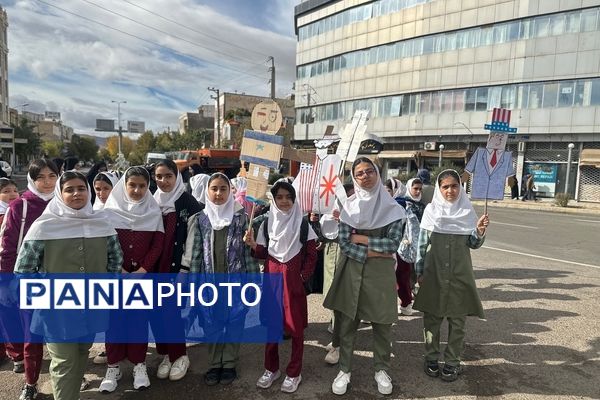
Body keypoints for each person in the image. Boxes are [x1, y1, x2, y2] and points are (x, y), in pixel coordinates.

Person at [13, 171, 123, 400]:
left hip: (93, 304)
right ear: (59, 194)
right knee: (64, 361)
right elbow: (23, 271)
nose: (76, 194)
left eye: (81, 188)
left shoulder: (102, 224)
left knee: (82, 353)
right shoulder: (44, 227)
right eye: (69, 189)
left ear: (88, 191)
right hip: (56, 311)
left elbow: (115, 261)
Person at [323, 157, 405, 396]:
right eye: (359, 173)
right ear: (354, 178)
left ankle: (381, 369)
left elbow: (393, 244)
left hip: (380, 277)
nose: (365, 176)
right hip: (353, 272)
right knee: (348, 322)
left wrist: (362, 238)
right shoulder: (349, 206)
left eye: (370, 171)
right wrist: (374, 252)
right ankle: (344, 370)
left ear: (378, 174)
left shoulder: (393, 209)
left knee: (381, 323)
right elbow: (345, 244)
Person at [413, 169, 489, 382]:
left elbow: (473, 244)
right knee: (432, 320)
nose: (450, 190)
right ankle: (431, 358)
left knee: (457, 323)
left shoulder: (467, 212)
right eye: (445, 186)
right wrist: (419, 274)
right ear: (439, 188)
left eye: (454, 186)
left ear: (460, 187)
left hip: (459, 276)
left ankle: (452, 362)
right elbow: (421, 246)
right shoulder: (431, 211)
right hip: (433, 274)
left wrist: (479, 231)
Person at [182, 173, 258, 386]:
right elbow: (194, 254)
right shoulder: (199, 220)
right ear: (207, 191)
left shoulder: (241, 218)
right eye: (214, 189)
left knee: (235, 320)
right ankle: (215, 363)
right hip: (208, 283)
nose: (218, 193)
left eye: (223, 189)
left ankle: (230, 363)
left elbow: (248, 255)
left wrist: (253, 282)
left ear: (230, 191)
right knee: (211, 322)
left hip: (235, 282)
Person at [245, 181, 318, 394]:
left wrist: (302, 277)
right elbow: (262, 253)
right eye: (279, 197)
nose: (284, 201)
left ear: (294, 199)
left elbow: (312, 254)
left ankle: (294, 372)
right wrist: (252, 245)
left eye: (288, 197)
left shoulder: (303, 224)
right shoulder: (267, 223)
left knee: (295, 329)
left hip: (293, 284)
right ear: (273, 200)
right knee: (271, 326)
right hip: (272, 281)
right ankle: (271, 368)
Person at [99, 166, 165, 393]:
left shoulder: (153, 211)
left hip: (142, 279)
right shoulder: (109, 212)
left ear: (148, 187)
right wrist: (120, 269)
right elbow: (105, 245)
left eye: (142, 185)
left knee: (138, 322)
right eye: (132, 185)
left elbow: (158, 244)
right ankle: (113, 366)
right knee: (114, 322)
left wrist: (143, 270)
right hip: (116, 278)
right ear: (123, 185)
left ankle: (139, 365)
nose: (137, 190)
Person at [0, 158, 59, 400]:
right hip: (29, 281)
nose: (46, 182)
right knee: (31, 335)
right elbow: (7, 247)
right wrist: (6, 282)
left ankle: (66, 375)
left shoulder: (66, 203)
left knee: (61, 334)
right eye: (40, 178)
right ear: (32, 181)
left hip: (61, 281)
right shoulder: (21, 207)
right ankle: (31, 382)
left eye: (51, 176)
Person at [152, 159, 202, 381]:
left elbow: (192, 238)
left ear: (177, 177)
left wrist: (184, 269)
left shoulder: (188, 203)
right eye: (159, 177)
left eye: (168, 176)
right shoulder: (152, 202)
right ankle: (166, 354)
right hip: (154, 266)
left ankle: (180, 355)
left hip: (175, 267)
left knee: (171, 313)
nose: (164, 181)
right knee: (156, 313)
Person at [394, 178, 425, 316]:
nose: (418, 191)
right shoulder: (400, 203)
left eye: (420, 189)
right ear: (408, 188)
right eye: (415, 188)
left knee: (410, 275)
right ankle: (404, 301)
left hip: (418, 245)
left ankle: (407, 301)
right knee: (401, 274)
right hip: (401, 245)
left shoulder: (422, 206)